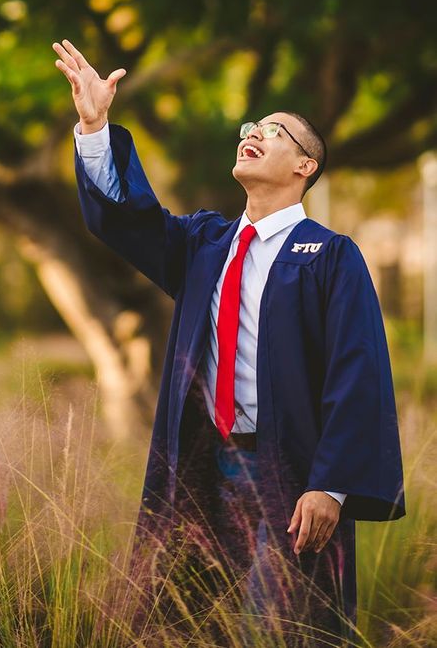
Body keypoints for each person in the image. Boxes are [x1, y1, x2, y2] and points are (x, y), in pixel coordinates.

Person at [53, 37, 405, 648]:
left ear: (305, 167)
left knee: (285, 627)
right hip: (200, 464)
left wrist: (331, 485)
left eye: (276, 130)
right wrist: (95, 128)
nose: (254, 132)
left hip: (289, 473)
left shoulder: (329, 256)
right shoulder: (204, 244)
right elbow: (128, 221)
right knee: (190, 623)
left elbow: (359, 373)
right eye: (251, 125)